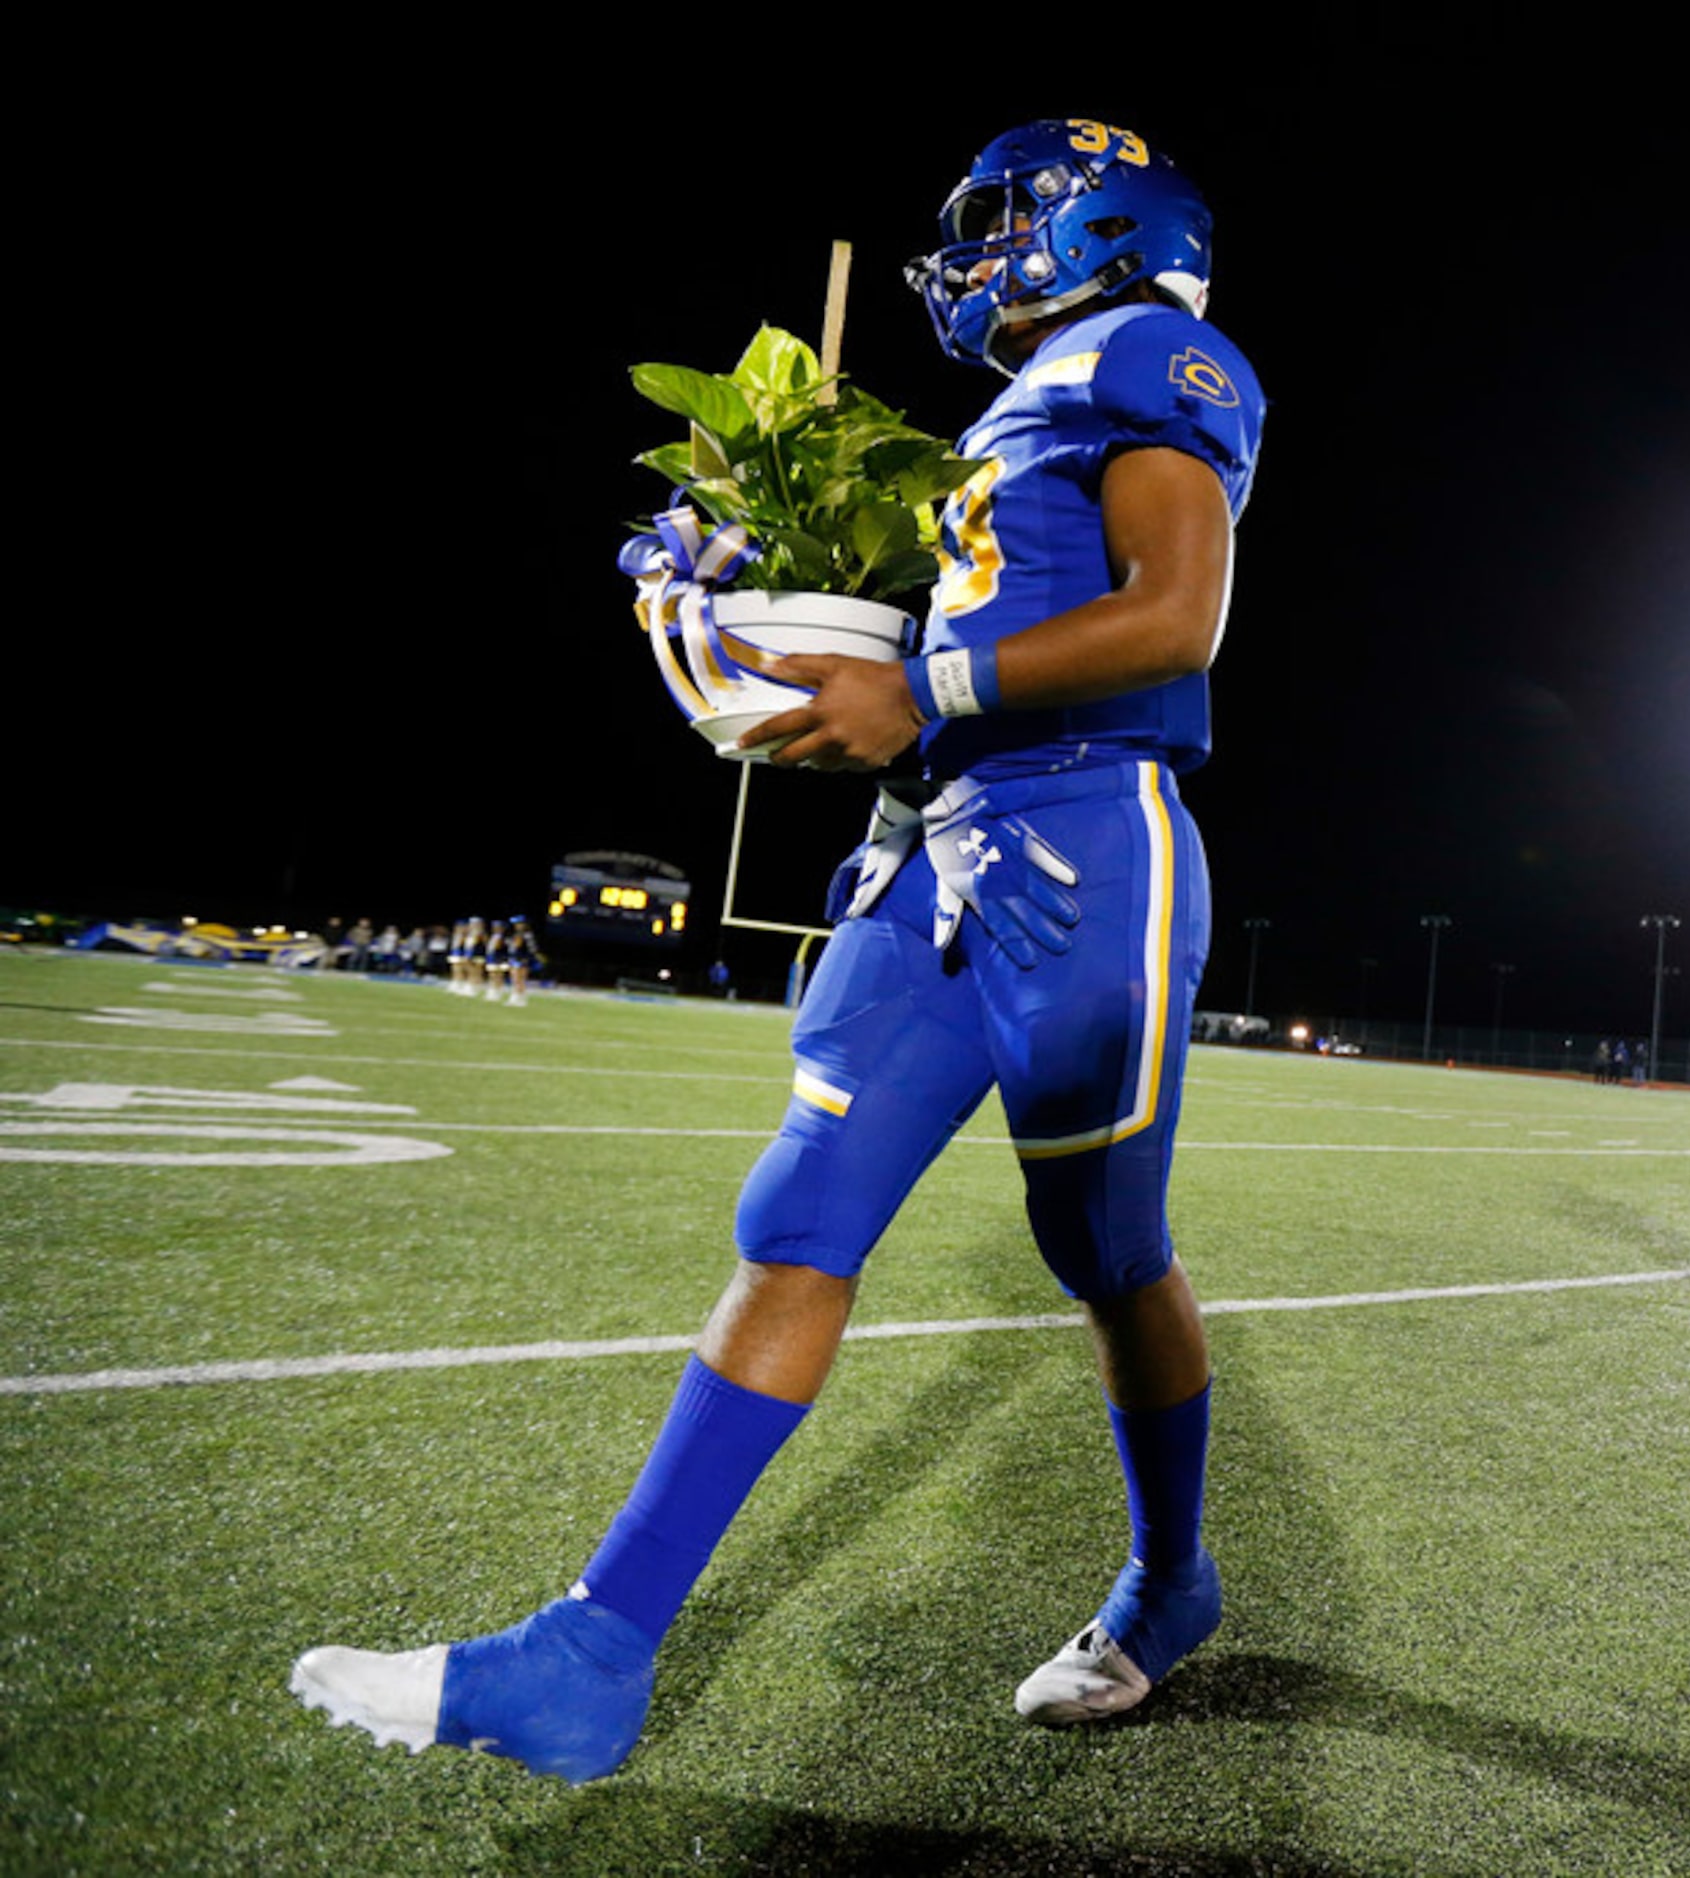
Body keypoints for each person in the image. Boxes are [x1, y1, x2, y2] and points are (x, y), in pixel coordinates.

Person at [292, 117, 1265, 1779]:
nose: (967, 252)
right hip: (938, 849)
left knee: (1106, 1251)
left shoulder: (1151, 350)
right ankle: (589, 1652)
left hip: (1085, 844)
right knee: (793, 1216)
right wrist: (768, 644)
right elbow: (937, 653)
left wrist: (932, 693)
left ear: (1090, 222)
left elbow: (1177, 618)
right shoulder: (1000, 414)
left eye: (996, 220)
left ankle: (1172, 1579)